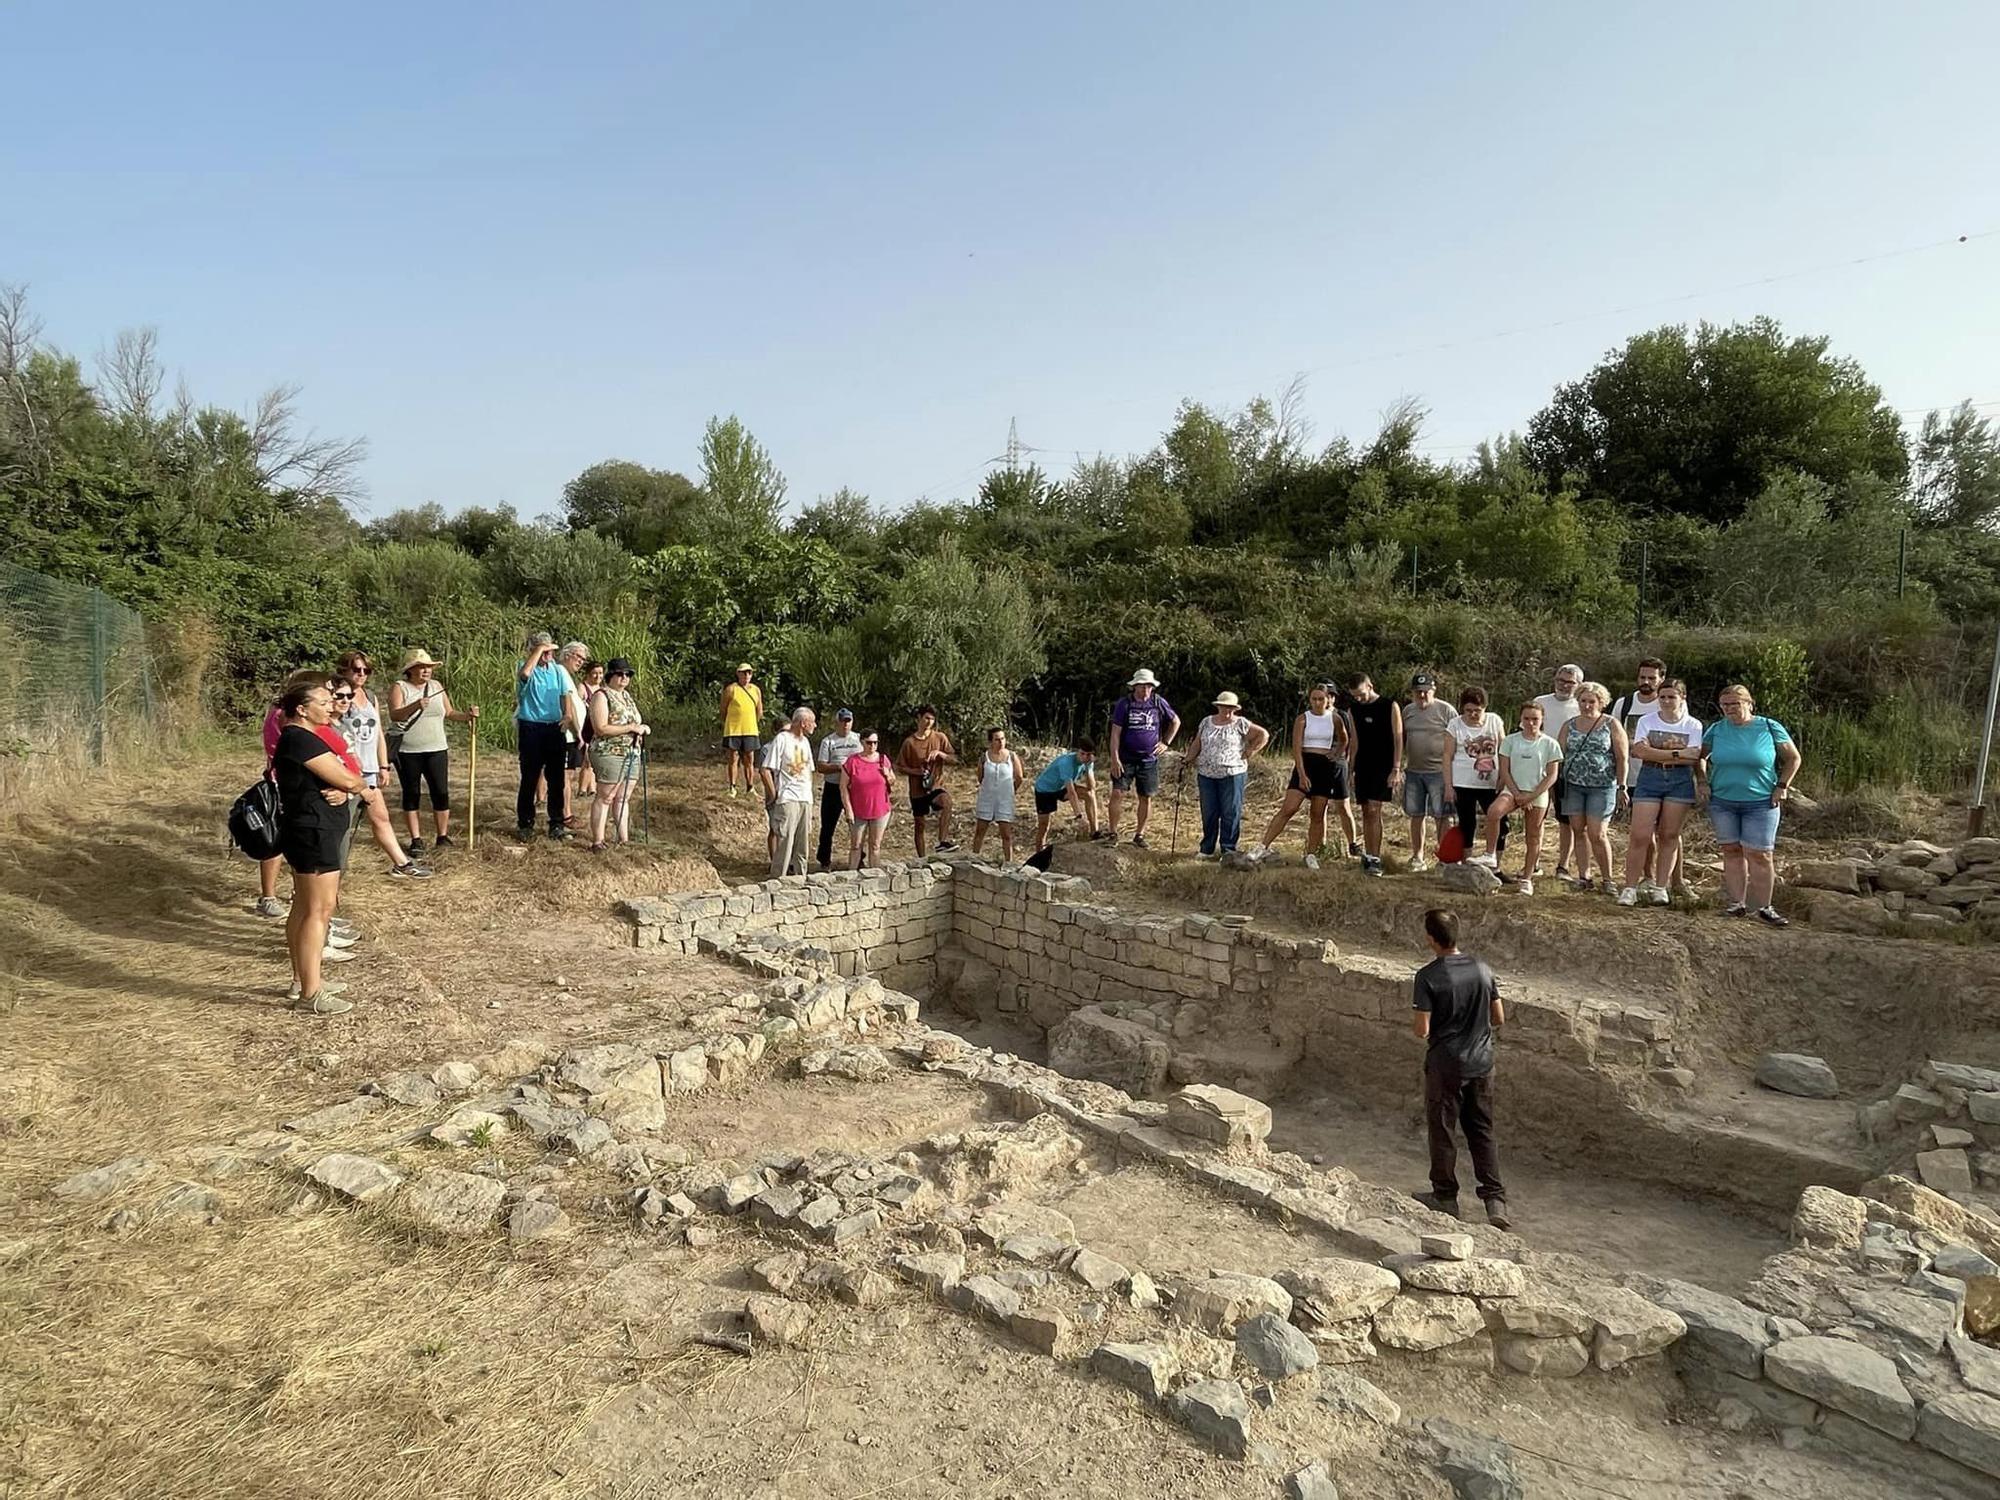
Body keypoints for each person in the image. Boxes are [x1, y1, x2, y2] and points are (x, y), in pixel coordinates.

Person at [1411, 908, 1509, 1229]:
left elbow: (1422, 1029)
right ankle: (1495, 1202)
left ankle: (1445, 1196)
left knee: (1443, 1130)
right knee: (1482, 1130)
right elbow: (1498, 1017)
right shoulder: (1483, 969)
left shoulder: (1428, 976)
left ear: (1430, 939)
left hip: (1447, 1065)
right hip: (1482, 1063)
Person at [274, 682, 365, 1016]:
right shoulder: (300, 739)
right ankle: (310, 994)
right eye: (324, 702)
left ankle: (304, 979)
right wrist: (350, 786)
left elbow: (344, 781)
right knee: (318, 910)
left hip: (310, 829)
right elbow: (350, 779)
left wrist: (346, 788)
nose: (331, 707)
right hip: (313, 831)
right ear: (302, 708)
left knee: (304, 906)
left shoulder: (301, 739)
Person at [1702, 684, 1803, 926]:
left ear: (1749, 703)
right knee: (1731, 850)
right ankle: (1737, 903)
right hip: (1723, 801)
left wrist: (1782, 786)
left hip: (1761, 801)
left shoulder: (1768, 727)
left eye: (1735, 704)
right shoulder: (1716, 729)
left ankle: (1765, 907)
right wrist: (1702, 781)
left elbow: (1793, 757)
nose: (1729, 709)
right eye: (1725, 704)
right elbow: (1700, 757)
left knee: (1760, 854)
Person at [335, 652, 433, 878]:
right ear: (344, 670)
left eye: (366, 671)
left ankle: (402, 864)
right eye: (356, 670)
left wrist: (383, 765)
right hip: (348, 771)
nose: (361, 675)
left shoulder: (369, 696)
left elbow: (378, 731)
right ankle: (332, 871)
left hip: (369, 770)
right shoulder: (340, 696)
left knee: (380, 817)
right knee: (342, 825)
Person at [1619, 678, 1702, 907]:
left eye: (1671, 697)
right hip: (1650, 777)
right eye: (1663, 696)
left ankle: (1661, 886)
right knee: (1640, 835)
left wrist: (1656, 751)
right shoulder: (1647, 720)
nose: (1666, 701)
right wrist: (1677, 753)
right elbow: (1639, 750)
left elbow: (1694, 755)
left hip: (1679, 780)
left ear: (1682, 698)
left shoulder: (1693, 725)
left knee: (1669, 835)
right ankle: (1630, 888)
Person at [1249, 684, 1351, 869]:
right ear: (1310, 700)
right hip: (1305, 763)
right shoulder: (1303, 719)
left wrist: (1337, 753)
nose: (1318, 702)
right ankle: (1263, 846)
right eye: (1314, 699)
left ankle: (1311, 854)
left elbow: (1344, 738)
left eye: (1321, 699)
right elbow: (1296, 748)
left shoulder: (1335, 718)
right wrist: (1302, 774)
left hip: (1325, 766)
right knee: (1289, 808)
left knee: (1317, 814)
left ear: (1328, 699)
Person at [386, 649, 478, 852]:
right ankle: (416, 839)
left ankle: (442, 836)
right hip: (408, 751)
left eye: (429, 667)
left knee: (441, 792)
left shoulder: (436, 687)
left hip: (437, 748)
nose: (426, 671)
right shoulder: (400, 687)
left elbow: (449, 712)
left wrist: (467, 716)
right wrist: (415, 706)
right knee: (412, 793)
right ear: (411, 670)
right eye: (422, 667)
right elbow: (395, 715)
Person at [1468, 703, 1563, 893]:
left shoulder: (1550, 743)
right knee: (1494, 812)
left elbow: (1551, 775)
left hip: (1536, 793)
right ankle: (1490, 853)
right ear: (1521, 719)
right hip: (1513, 790)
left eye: (1535, 719)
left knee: (1533, 836)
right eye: (1526, 718)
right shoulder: (1510, 741)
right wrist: (1517, 794)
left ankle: (1527, 878)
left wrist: (1530, 797)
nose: (1530, 723)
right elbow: (1504, 769)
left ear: (1542, 720)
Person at [1610, 658, 1675, 889]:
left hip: (1665, 776)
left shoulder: (1668, 704)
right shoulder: (1623, 704)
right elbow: (1615, 740)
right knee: (1642, 833)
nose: (1646, 682)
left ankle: (1673, 881)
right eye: (1642, 677)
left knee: (1669, 832)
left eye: (1651, 678)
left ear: (1662, 679)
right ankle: (1647, 877)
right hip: (1633, 776)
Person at [1557, 682, 1628, 893]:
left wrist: (1621, 786)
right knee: (1578, 830)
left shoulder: (1611, 724)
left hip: (1602, 785)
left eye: (1591, 701)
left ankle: (1608, 879)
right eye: (1583, 701)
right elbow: (1559, 754)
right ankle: (1584, 876)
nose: (1587, 705)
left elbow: (1622, 757)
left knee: (1597, 833)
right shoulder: (1569, 725)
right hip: (1573, 786)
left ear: (1601, 703)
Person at [1106, 669, 1181, 849]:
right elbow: (1115, 733)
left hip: (1149, 759)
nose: (1145, 689)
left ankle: (1139, 834)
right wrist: (1114, 758)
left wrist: (1166, 742)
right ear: (1134, 687)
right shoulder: (1124, 704)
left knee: (1146, 796)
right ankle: (1112, 832)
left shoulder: (1158, 702)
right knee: (1117, 793)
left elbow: (1175, 721)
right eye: (1142, 686)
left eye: (1148, 686)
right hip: (1126, 757)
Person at [1193, 692, 1269, 858]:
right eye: (1224, 706)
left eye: (1231, 707)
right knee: (1209, 812)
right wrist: (1187, 760)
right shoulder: (1206, 722)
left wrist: (1250, 750)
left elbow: (1263, 735)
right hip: (1206, 773)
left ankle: (1228, 849)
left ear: (1235, 709)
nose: (1227, 710)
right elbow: (1197, 743)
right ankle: (1207, 849)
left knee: (1230, 811)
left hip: (1233, 773)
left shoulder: (1240, 723)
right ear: (1218, 706)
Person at [516, 631, 576, 841]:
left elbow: (565, 694)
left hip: (554, 728)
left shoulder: (557, 671)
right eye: (545, 651)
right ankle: (525, 824)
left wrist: (567, 715)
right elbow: (524, 675)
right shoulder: (525, 666)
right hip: (531, 727)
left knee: (556, 779)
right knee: (530, 778)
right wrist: (539, 650)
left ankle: (557, 824)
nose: (548, 655)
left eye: (551, 651)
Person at [585, 658, 648, 849]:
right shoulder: (601, 696)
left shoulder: (627, 696)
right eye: (620, 674)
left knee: (623, 797)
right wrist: (631, 728)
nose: (624, 678)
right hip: (609, 752)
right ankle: (598, 841)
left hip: (631, 751)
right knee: (606, 796)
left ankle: (623, 839)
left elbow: (634, 721)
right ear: (610, 675)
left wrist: (640, 729)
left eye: (628, 674)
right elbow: (601, 728)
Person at [1346, 674, 1402, 878]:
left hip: (1383, 764)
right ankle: (1368, 855)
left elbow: (1398, 737)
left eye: (1361, 694)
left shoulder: (1389, 706)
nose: (1358, 699)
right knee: (1365, 810)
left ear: (1370, 686)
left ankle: (1375, 856)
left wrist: (1396, 767)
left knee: (1374, 808)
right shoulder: (1353, 709)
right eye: (1354, 696)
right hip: (1363, 764)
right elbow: (1354, 741)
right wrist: (1351, 769)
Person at [1534, 665, 1585, 881]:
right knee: (1537, 816)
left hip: (1568, 767)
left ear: (1579, 685)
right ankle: (1533, 863)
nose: (1564, 685)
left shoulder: (1582, 705)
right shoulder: (1541, 702)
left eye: (1570, 682)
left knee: (1566, 819)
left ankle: (1562, 866)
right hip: (1539, 765)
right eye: (1560, 680)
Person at [1446, 687, 1508, 864]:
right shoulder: (1455, 724)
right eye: (1468, 710)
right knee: (1467, 824)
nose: (1473, 714)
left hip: (1492, 783)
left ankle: (1495, 863)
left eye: (1477, 711)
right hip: (1463, 782)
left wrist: (1504, 776)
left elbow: (1504, 750)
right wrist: (1448, 786)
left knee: (1500, 822)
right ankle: (1467, 863)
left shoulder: (1494, 721)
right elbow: (1447, 755)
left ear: (1485, 708)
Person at [1400, 674, 1455, 872]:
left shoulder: (1446, 710)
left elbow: (1457, 738)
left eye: (1425, 691)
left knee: (1442, 816)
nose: (1422, 695)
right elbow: (1402, 738)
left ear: (1433, 691)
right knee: (1416, 815)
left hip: (1439, 772)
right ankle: (1417, 856)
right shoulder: (1408, 711)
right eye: (1418, 692)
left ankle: (1444, 858)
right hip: (1414, 771)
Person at [897, 706, 960, 855]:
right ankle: (922, 859)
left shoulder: (940, 738)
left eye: (932, 719)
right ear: (918, 718)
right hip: (917, 789)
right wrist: (915, 772)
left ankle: (942, 841)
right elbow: (899, 766)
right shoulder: (909, 743)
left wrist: (940, 754)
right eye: (926, 718)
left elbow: (955, 759)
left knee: (946, 802)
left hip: (935, 785)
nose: (929, 722)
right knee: (920, 825)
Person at [762, 707, 818, 876]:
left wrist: (810, 795)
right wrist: (774, 795)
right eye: (812, 722)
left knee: (803, 844)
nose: (815, 725)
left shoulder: (805, 742)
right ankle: (778, 879)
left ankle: (801, 879)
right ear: (803, 723)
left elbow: (809, 771)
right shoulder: (782, 739)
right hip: (788, 797)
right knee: (786, 842)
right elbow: (765, 769)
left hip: (805, 798)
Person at [814, 709, 863, 872]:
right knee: (828, 826)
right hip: (833, 787)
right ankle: (824, 860)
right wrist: (839, 767)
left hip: (854, 788)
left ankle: (859, 858)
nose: (846, 724)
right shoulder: (828, 741)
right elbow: (821, 766)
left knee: (857, 824)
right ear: (837, 722)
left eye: (848, 721)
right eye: (843, 721)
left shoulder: (858, 739)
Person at [1031, 739, 1102, 852]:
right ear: (1078, 752)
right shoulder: (1066, 762)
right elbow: (1071, 792)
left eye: (1088, 755)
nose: (1084, 757)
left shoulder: (1088, 762)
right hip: (1045, 790)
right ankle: (1039, 852)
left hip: (1061, 788)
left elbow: (1091, 787)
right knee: (1044, 826)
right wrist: (1079, 816)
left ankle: (1094, 831)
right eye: (1082, 753)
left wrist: (1088, 768)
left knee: (1089, 794)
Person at [842, 729, 896, 869]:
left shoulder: (883, 760)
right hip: (858, 810)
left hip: (880, 809)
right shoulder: (852, 761)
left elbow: (893, 781)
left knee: (875, 846)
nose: (872, 746)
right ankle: (851, 876)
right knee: (856, 846)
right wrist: (848, 809)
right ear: (862, 742)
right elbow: (843, 787)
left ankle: (875, 877)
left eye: (875, 743)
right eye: (869, 743)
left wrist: (888, 775)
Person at [971, 727, 1026, 860]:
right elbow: (980, 777)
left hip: (1004, 799)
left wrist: (1011, 791)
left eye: (1002, 738)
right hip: (987, 798)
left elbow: (1019, 777)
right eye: (997, 739)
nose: (1000, 742)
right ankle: (974, 859)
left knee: (1006, 834)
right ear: (991, 741)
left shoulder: (1011, 756)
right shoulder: (985, 757)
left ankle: (1009, 862)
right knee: (980, 830)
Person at [721, 663, 765, 799]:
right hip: (733, 729)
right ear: (738, 674)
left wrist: (753, 723)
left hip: (750, 729)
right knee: (733, 758)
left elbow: (759, 711)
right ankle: (732, 787)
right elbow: (723, 709)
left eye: (749, 673)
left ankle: (750, 787)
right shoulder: (731, 689)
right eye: (743, 673)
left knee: (749, 759)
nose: (746, 675)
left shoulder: (756, 690)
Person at [573, 656, 605, 804]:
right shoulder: (582, 688)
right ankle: (582, 790)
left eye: (600, 673)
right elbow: (577, 708)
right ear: (588, 674)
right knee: (587, 760)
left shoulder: (602, 690)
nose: (598, 676)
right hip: (585, 728)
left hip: (597, 728)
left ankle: (591, 788)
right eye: (595, 673)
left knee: (593, 761)